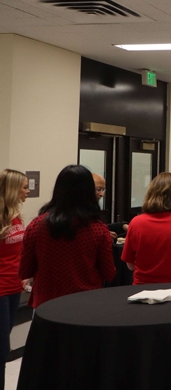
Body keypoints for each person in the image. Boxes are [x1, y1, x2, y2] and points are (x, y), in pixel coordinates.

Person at [19, 165, 115, 309]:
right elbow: (109, 273)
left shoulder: (36, 226)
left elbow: (24, 271)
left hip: (46, 303)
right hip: (85, 303)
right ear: (88, 191)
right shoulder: (98, 229)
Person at [0, 170, 28, 389]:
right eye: (24, 187)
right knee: (1, 348)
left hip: (14, 286)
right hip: (0, 289)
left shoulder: (15, 215)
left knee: (4, 346)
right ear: (12, 189)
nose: (27, 191)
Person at [92, 173, 126, 239]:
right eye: (98, 189)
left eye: (103, 190)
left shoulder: (94, 207)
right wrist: (103, 234)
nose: (102, 194)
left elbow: (99, 227)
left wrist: (122, 226)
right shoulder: (79, 211)